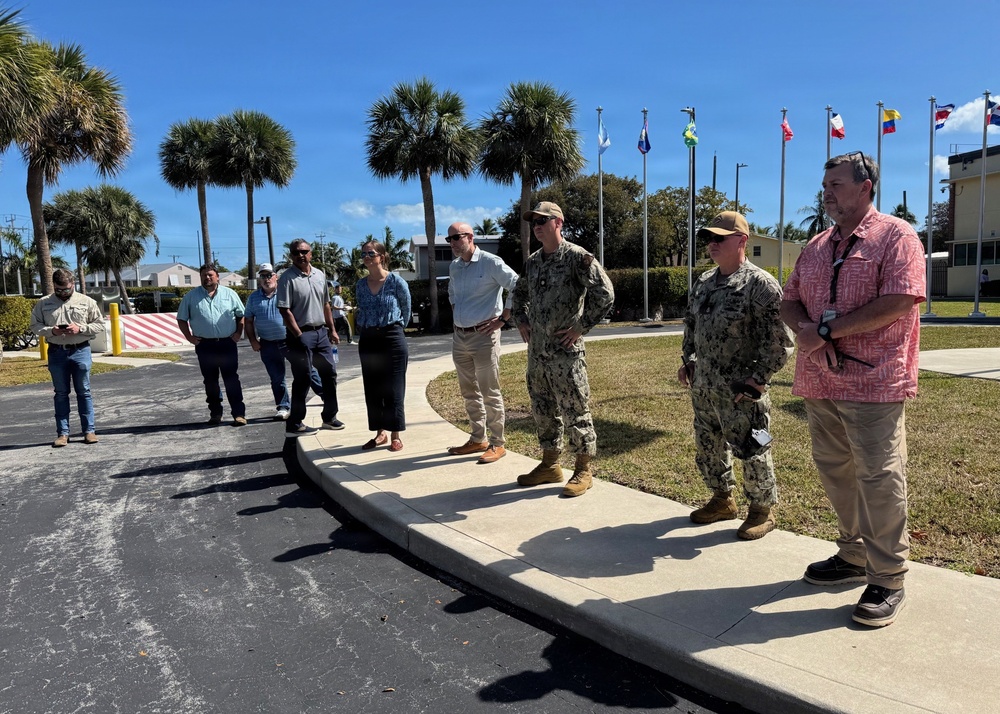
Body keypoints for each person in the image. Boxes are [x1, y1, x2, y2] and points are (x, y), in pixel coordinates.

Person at [780, 152, 926, 628]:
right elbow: (791, 299)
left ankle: (888, 575)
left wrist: (827, 332)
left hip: (873, 380)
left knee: (879, 477)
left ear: (865, 187)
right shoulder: (817, 245)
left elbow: (901, 299)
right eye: (825, 184)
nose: (826, 192)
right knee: (835, 471)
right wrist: (805, 329)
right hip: (820, 380)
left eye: (836, 184)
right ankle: (852, 555)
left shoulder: (897, 235)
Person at [678, 211, 793, 540]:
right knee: (708, 446)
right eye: (709, 239)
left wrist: (759, 380)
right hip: (705, 388)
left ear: (742, 241)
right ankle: (721, 500)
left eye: (719, 238)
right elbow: (691, 326)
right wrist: (688, 361)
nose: (712, 244)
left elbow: (781, 341)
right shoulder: (704, 283)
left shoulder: (760, 285)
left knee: (754, 447)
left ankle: (762, 510)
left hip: (742, 391)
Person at [511, 201, 614, 497]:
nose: (537, 226)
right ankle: (550, 465)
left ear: (559, 223)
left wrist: (581, 327)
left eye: (543, 220)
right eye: (534, 222)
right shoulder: (533, 262)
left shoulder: (577, 258)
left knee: (575, 409)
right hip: (538, 354)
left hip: (565, 354)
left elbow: (605, 293)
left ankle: (583, 469)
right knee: (542, 408)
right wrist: (521, 321)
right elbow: (519, 294)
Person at [445, 222, 520, 464]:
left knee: (490, 391)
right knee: (469, 392)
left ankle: (497, 443)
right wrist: (458, 315)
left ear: (470, 237)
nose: (454, 243)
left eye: (457, 238)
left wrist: (504, 319)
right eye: (450, 240)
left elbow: (517, 285)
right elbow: (452, 293)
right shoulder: (455, 266)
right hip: (460, 336)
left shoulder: (491, 262)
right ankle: (478, 439)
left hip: (485, 337)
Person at [30, 268, 106, 447]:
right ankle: (63, 434)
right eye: (59, 290)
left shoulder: (86, 301)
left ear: (73, 284)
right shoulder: (43, 303)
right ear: (54, 286)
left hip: (80, 350)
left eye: (67, 289)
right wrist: (52, 331)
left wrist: (81, 329)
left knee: (84, 392)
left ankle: (89, 431)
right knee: (61, 393)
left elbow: (100, 324)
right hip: (57, 352)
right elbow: (35, 325)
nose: (63, 293)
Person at [277, 239, 344, 438]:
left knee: (329, 374)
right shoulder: (287, 278)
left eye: (304, 251)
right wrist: (298, 335)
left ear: (311, 253)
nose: (301, 255)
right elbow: (284, 310)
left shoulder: (319, 275)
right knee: (303, 378)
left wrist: (332, 329)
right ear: (291, 255)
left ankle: (330, 418)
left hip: (321, 333)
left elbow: (326, 304)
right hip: (300, 334)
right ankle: (295, 422)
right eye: (296, 252)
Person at [244, 263, 323, 421]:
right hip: (267, 344)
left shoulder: (285, 292)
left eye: (269, 275)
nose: (266, 279)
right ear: (259, 279)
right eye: (263, 276)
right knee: (276, 378)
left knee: (307, 370)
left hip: (289, 340)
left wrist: (301, 336)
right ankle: (283, 407)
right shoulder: (253, 298)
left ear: (276, 277)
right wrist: (253, 340)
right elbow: (248, 321)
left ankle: (325, 395)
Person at [354, 239, 411, 452]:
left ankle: (395, 434)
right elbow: (361, 309)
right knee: (373, 387)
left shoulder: (396, 282)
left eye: (371, 254)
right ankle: (380, 434)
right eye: (364, 255)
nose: (367, 258)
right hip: (369, 338)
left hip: (393, 337)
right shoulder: (360, 284)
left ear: (382, 256)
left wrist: (395, 329)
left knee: (394, 387)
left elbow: (406, 309)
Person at [177, 264, 247, 426]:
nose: (207, 278)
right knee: (210, 381)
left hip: (226, 344)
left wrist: (238, 334)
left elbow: (241, 315)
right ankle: (215, 413)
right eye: (204, 275)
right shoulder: (190, 297)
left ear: (217, 277)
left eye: (210, 275)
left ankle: (239, 414)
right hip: (205, 346)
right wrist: (190, 338)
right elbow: (181, 319)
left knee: (232, 380)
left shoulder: (230, 294)